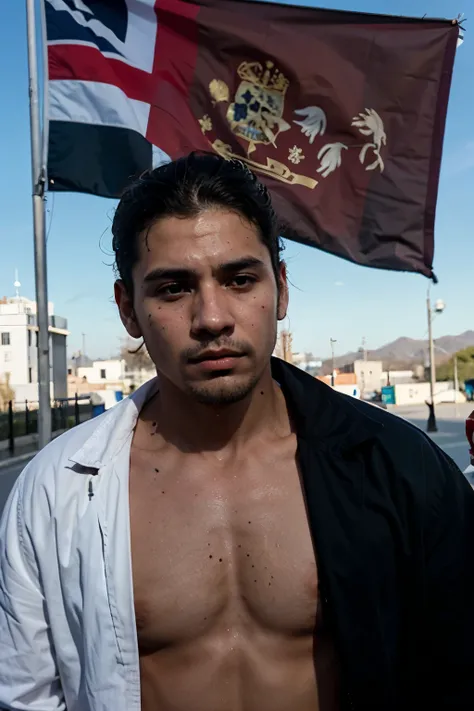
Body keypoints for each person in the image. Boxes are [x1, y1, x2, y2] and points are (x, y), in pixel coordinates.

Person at [0, 154, 473, 711]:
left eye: (240, 279)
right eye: (174, 288)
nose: (213, 317)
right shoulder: (55, 493)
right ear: (128, 309)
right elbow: (27, 696)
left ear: (282, 289)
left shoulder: (399, 468)